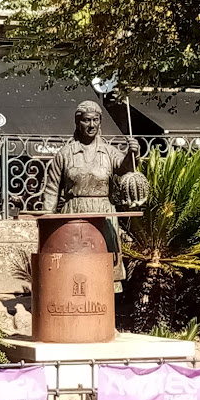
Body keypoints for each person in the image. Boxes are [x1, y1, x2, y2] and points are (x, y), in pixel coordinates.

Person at [42, 100, 140, 281]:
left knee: (103, 262)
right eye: (87, 120)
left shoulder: (109, 152)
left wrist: (132, 153)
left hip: (103, 213)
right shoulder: (65, 154)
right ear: (78, 122)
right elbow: (51, 189)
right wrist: (47, 223)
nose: (92, 125)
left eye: (96, 120)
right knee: (75, 264)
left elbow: (125, 167)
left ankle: (103, 303)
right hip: (74, 213)